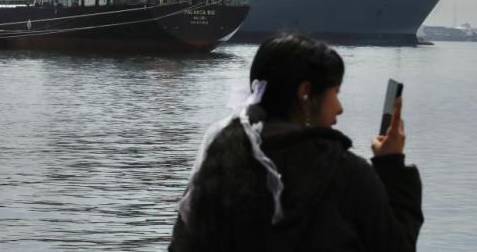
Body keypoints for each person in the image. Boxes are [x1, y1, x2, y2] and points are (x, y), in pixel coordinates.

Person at [169, 34, 423, 252]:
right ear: (305, 93)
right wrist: (391, 165)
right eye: (335, 93)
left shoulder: (219, 165)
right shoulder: (345, 173)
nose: (340, 108)